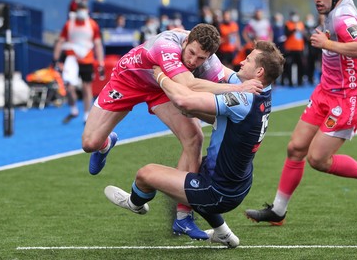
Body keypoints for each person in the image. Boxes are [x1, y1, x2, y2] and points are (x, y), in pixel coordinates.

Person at [82, 23, 263, 239]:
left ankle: (183, 218)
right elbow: (189, 85)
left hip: (161, 87)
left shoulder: (207, 59)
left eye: (201, 58)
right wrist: (239, 88)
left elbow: (221, 77)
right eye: (191, 53)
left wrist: (259, 85)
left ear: (210, 56)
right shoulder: (165, 46)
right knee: (89, 144)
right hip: (128, 80)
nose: (193, 61)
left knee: (194, 138)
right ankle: (105, 144)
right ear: (185, 42)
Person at [245, 0, 357, 226]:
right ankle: (278, 211)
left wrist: (326, 44)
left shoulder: (342, 17)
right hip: (324, 93)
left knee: (317, 160)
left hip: (346, 98)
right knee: (295, 148)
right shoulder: (332, 11)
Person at [53, 2, 105, 124]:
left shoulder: (92, 25)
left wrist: (101, 62)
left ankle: (87, 115)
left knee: (87, 87)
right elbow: (60, 41)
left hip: (87, 59)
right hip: (72, 59)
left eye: (84, 9)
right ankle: (74, 109)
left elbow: (97, 44)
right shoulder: (69, 25)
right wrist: (55, 59)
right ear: (76, 11)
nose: (82, 12)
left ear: (87, 11)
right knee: (69, 86)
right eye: (80, 9)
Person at [282, 10, 306, 87]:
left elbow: (304, 35)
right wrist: (293, 30)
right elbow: (286, 34)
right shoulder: (287, 24)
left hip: (299, 48)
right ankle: (290, 82)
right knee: (289, 65)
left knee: (300, 65)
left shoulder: (301, 24)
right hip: (290, 48)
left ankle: (300, 81)